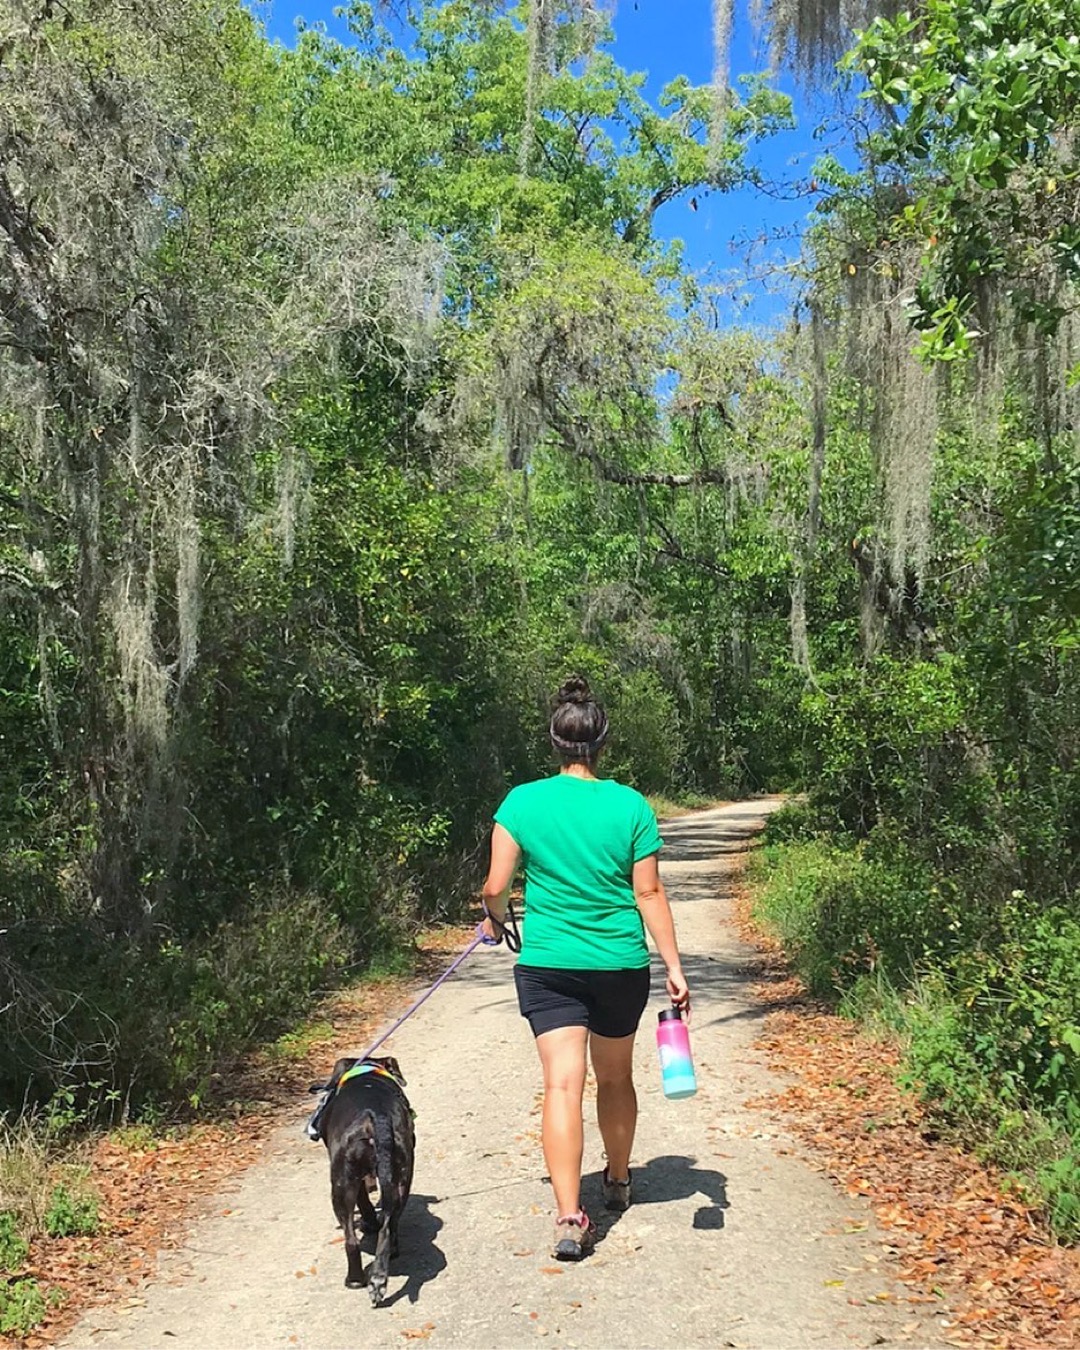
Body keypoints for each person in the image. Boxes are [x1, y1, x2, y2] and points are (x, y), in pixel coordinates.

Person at [480, 675, 690, 1261]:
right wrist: (673, 965)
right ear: (602, 742)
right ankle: (618, 1181)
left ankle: (570, 1217)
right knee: (616, 1078)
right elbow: (648, 893)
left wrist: (496, 918)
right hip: (619, 962)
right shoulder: (630, 805)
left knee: (562, 1085)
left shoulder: (521, 802)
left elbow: (496, 887)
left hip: (549, 963)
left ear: (554, 741)